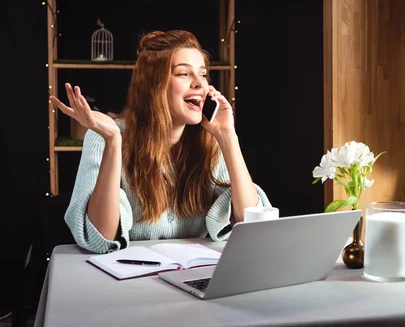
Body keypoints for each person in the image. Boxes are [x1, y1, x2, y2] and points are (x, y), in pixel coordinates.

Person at [49, 30, 271, 254]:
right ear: (153, 85)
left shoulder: (212, 141)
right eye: (184, 74)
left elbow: (253, 227)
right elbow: (102, 237)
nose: (199, 85)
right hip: (125, 280)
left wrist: (228, 136)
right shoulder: (105, 135)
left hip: (191, 276)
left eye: (203, 75)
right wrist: (113, 142)